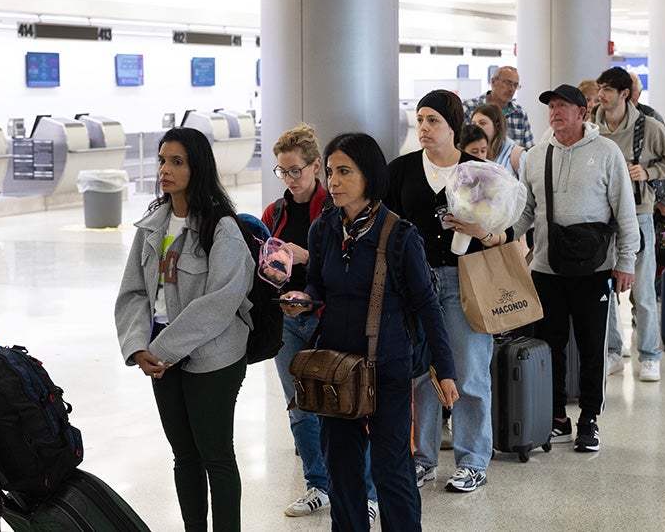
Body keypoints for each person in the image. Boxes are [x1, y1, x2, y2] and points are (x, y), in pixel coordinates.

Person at [281, 132, 458, 532]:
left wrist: (445, 370)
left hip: (388, 369)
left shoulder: (400, 235)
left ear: (370, 175)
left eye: (345, 171)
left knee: (390, 468)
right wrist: (303, 298)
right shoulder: (324, 229)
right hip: (335, 370)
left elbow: (428, 306)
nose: (335, 181)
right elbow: (319, 289)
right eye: (330, 172)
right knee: (341, 469)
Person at [114, 127, 254, 532]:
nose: (165, 169)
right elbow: (133, 292)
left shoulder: (221, 228)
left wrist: (163, 349)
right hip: (161, 356)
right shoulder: (152, 225)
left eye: (177, 162)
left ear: (198, 167)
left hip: (213, 357)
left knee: (216, 455)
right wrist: (139, 346)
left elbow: (219, 303)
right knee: (184, 456)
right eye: (161, 160)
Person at [386, 90, 503, 495]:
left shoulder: (479, 171)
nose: (423, 128)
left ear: (453, 125)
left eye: (433, 120)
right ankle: (423, 458)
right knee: (420, 373)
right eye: (419, 119)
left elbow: (504, 232)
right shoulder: (400, 171)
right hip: (413, 283)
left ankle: (472, 460)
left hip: (464, 279)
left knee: (469, 370)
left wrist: (480, 230)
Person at [261, 124, 379, 521]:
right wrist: (274, 271)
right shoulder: (274, 212)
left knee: (346, 404)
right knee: (300, 406)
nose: (290, 179)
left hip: (327, 319)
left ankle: (367, 491)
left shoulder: (336, 210)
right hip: (287, 318)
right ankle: (318, 485)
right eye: (282, 171)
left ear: (315, 167)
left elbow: (348, 267)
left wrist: (306, 257)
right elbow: (264, 265)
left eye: (296, 170)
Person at [512, 84, 639, 453]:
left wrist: (626, 262)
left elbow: (624, 212)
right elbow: (525, 212)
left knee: (591, 346)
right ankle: (555, 418)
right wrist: (499, 235)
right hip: (546, 268)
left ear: (582, 112)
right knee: (549, 347)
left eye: (562, 106)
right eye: (551, 106)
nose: (555, 112)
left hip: (594, 269)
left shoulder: (606, 153)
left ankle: (589, 418)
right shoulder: (536, 156)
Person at [590, 67, 665, 382]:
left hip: (638, 213)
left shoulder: (647, 127)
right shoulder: (591, 126)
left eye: (608, 89)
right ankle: (612, 352)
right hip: (599, 216)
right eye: (600, 88)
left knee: (643, 291)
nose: (601, 95)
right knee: (601, 289)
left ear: (624, 94)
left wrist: (648, 172)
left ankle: (649, 356)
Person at [461, 66, 535, 149]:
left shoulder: (519, 114)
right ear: (493, 82)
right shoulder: (469, 108)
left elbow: (530, 150)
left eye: (515, 85)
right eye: (508, 83)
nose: (511, 89)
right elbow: (460, 144)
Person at [469, 103, 524, 177]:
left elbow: (527, 185)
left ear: (497, 126)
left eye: (482, 123)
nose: (477, 128)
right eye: (474, 124)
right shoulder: (469, 152)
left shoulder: (516, 155)